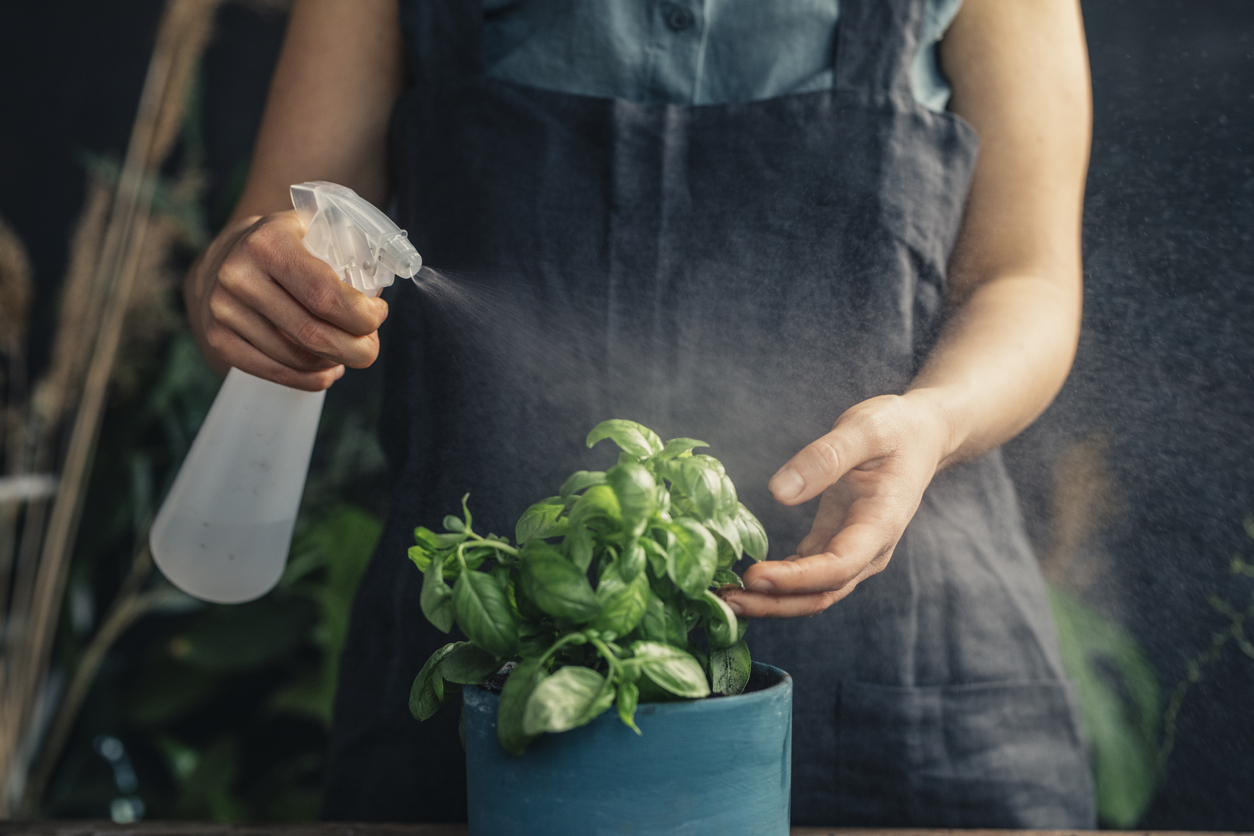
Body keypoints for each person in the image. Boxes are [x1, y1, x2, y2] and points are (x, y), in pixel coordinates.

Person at [184, 0, 1094, 826]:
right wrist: (255, 279)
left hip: (909, 680)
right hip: (497, 661)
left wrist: (936, 418)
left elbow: (1028, 280)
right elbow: (272, 226)